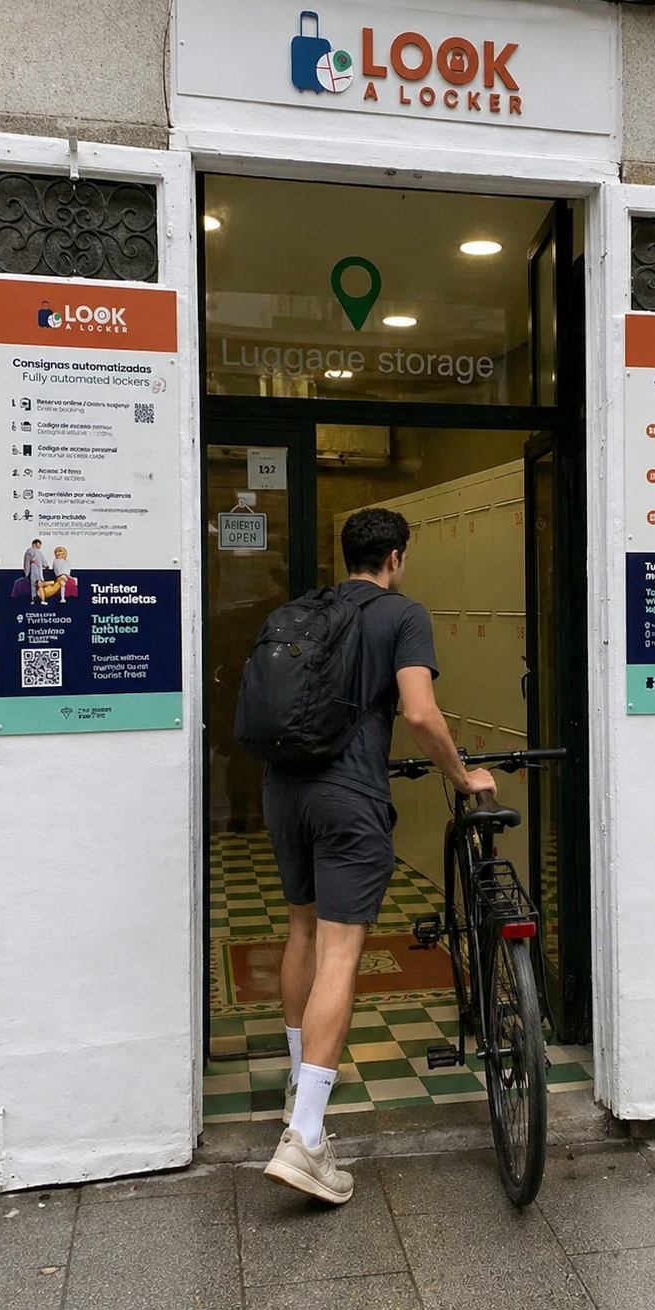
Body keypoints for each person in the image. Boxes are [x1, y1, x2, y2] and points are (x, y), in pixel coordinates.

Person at [261, 507, 495, 1205]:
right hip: (347, 799)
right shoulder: (402, 614)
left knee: (302, 931)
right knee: (340, 954)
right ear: (395, 557)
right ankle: (305, 1138)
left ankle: (297, 1092)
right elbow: (419, 713)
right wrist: (463, 776)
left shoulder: (307, 609)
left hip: (284, 791)